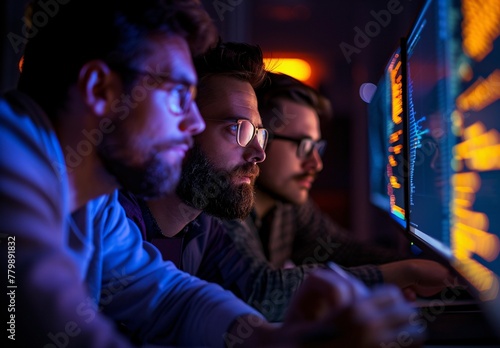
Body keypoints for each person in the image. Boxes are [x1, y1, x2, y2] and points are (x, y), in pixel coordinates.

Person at [0, 1, 425, 347]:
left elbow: (170, 297)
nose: (193, 123)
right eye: (179, 95)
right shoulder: (11, 157)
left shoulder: (95, 200)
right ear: (98, 89)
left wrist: (271, 341)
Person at [119, 40, 449, 328]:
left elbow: (187, 306)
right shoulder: (125, 218)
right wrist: (401, 274)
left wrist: (426, 268)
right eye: (239, 128)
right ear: (181, 127)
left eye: (260, 133)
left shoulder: (207, 224)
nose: (259, 152)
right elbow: (257, 292)